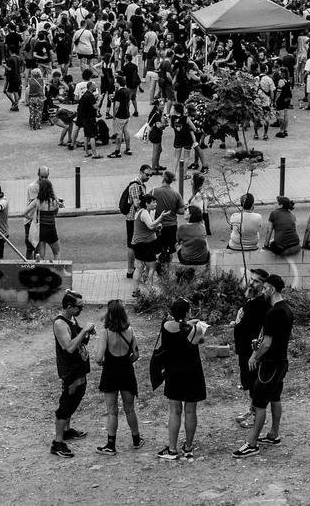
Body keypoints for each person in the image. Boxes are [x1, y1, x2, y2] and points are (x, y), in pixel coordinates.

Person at [233, 273, 293, 458]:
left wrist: (254, 357)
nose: (263, 291)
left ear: (272, 289)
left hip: (270, 364)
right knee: (275, 397)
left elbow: (267, 342)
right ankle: (273, 434)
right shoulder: (286, 309)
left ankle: (252, 443)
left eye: (266, 288)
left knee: (259, 403)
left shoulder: (273, 312)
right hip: (282, 361)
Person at [157, 296, 207, 461]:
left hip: (174, 372)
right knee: (191, 411)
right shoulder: (194, 330)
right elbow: (200, 339)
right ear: (187, 312)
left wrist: (186, 322)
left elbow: (177, 327)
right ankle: (188, 447)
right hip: (192, 373)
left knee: (175, 410)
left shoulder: (165, 325)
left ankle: (172, 449)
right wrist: (194, 325)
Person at [94, 300, 142, 456]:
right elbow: (136, 355)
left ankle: (111, 444)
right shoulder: (130, 331)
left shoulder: (105, 333)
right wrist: (126, 362)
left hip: (110, 373)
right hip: (127, 372)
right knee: (129, 409)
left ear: (109, 314)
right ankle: (136, 440)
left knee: (112, 411)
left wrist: (105, 363)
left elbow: (99, 358)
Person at [51, 290, 93, 459]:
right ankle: (57, 442)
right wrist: (84, 332)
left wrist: (86, 332)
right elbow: (69, 347)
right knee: (67, 403)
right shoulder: (60, 324)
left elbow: (78, 338)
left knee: (77, 397)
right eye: (79, 307)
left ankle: (67, 431)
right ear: (69, 307)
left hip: (79, 368)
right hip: (70, 370)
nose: (81, 310)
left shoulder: (72, 319)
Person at [232, 270, 271, 429]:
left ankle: (257, 416)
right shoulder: (251, 301)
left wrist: (240, 321)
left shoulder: (261, 304)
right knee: (248, 382)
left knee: (255, 384)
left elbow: (257, 329)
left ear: (263, 286)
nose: (251, 283)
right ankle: (252, 409)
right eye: (251, 280)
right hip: (243, 350)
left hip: (252, 352)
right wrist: (238, 321)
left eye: (256, 282)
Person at [122, 165, 153, 278]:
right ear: (141, 172)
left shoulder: (140, 185)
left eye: (150, 175)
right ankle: (130, 270)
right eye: (147, 174)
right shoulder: (135, 185)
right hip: (133, 218)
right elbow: (136, 203)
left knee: (134, 243)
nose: (149, 176)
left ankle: (133, 269)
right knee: (131, 244)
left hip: (135, 217)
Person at [151, 170, 185, 262]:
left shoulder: (154, 191)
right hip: (172, 226)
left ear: (163, 178)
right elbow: (181, 211)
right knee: (170, 250)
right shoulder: (176, 194)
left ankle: (159, 268)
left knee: (158, 250)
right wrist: (173, 209)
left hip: (158, 225)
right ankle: (168, 268)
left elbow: (148, 205)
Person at [25, 179, 63, 259]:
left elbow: (24, 213)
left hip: (41, 230)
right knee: (57, 252)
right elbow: (55, 214)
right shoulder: (55, 201)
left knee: (41, 256)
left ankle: (40, 270)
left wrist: (33, 219)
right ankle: (57, 270)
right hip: (51, 229)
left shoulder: (37, 201)